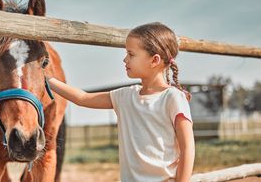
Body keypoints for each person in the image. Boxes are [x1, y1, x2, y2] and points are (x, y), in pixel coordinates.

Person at [47, 22, 195, 182]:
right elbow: (82, 98)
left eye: (131, 54)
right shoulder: (125, 96)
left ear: (154, 60)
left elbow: (187, 148)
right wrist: (47, 79)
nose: (125, 59)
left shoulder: (173, 98)